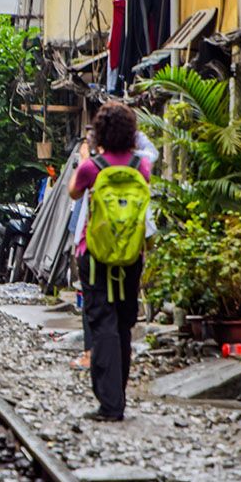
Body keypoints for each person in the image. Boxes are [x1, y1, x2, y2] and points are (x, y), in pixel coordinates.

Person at [67, 103, 151, 422]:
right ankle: (120, 397)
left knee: (102, 322)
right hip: (131, 254)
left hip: (95, 253)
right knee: (124, 323)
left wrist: (87, 160)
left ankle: (109, 402)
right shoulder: (140, 165)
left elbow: (75, 193)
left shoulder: (93, 167)